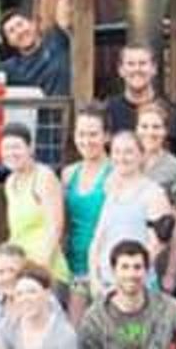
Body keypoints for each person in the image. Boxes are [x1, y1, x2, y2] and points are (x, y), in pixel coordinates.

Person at [0, 0, 76, 164]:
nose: (18, 31)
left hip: (74, 129)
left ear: (32, 23)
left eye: (20, 24)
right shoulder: (9, 68)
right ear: (9, 42)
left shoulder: (56, 40)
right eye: (11, 31)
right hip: (38, 139)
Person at [86, 130, 172, 291]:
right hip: (105, 282)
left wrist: (128, 278)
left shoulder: (153, 193)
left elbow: (157, 245)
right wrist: (94, 277)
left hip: (138, 285)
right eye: (116, 152)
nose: (122, 158)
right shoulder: (111, 191)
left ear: (141, 155)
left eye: (128, 152)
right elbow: (98, 238)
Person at [134, 105, 176, 292]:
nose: (150, 132)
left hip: (163, 256)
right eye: (144, 126)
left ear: (165, 131)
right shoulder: (125, 162)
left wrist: (171, 271)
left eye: (156, 127)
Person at [1, 124, 69, 282]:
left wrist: (40, 268)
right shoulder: (10, 182)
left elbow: (56, 227)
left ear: (30, 148)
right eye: (6, 148)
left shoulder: (43, 177)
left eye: (16, 147)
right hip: (19, 268)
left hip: (45, 269)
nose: (11, 153)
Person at [104, 44, 176, 160]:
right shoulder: (107, 112)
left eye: (142, 63)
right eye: (131, 64)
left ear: (154, 69)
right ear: (121, 70)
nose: (137, 69)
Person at [62, 107, 111, 296]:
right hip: (74, 263)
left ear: (106, 136)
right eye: (81, 134)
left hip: (105, 266)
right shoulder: (68, 174)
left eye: (93, 134)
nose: (86, 141)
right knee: (77, 321)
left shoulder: (116, 173)